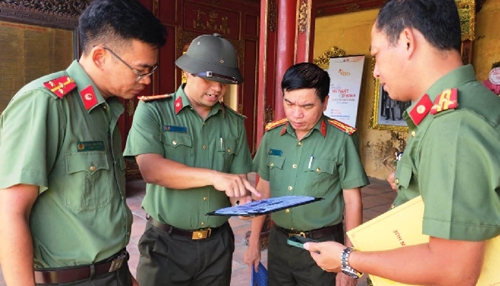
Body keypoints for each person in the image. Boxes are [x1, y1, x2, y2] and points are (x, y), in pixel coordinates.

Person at [304, 1, 500, 285]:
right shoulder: (474, 102)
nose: (375, 71)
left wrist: (347, 259)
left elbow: (453, 270)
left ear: (407, 41)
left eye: (378, 54)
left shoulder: (453, 126)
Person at [0, 0, 166, 285]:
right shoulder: (47, 103)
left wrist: (122, 274)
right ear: (100, 56)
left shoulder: (105, 110)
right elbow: (10, 211)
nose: (146, 81)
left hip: (112, 273)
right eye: (140, 70)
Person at [123, 33, 259, 286]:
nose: (217, 88)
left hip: (217, 245)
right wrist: (214, 177)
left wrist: (244, 201)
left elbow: (237, 180)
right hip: (166, 245)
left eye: (224, 81)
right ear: (187, 72)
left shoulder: (234, 122)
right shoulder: (154, 111)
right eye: (210, 78)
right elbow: (151, 170)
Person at [244, 62, 369, 286]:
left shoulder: (342, 139)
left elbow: (353, 203)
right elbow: (263, 190)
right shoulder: (273, 135)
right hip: (280, 243)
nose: (296, 113)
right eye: (289, 103)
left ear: (325, 102)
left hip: (323, 247)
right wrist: (254, 242)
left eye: (307, 106)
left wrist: (347, 263)